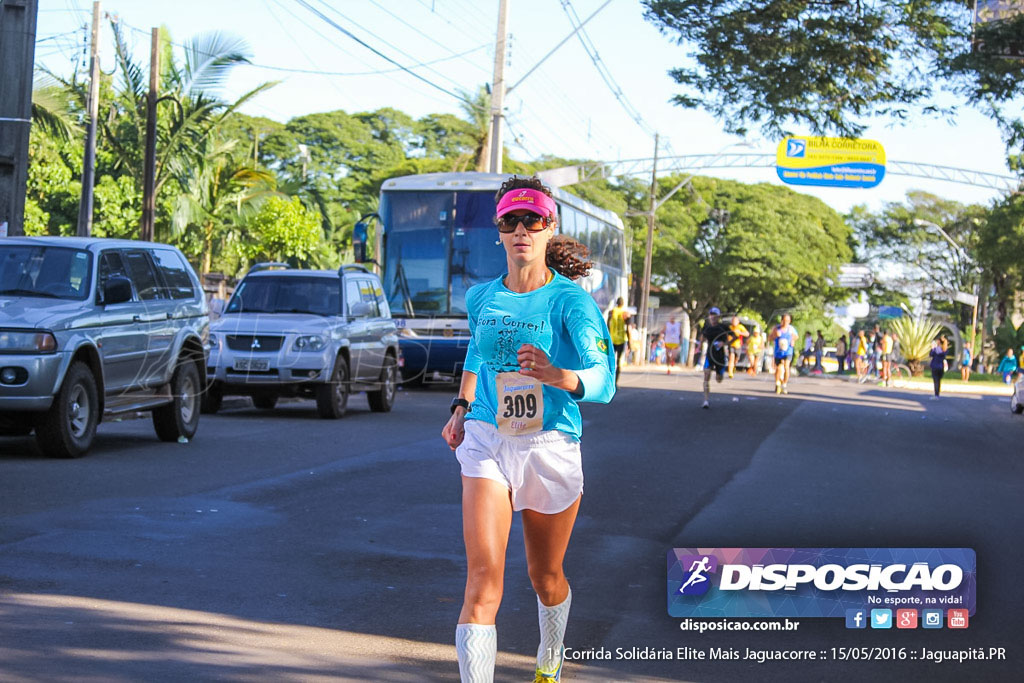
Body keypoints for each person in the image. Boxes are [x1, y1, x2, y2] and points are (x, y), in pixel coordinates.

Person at [440, 176, 616, 683]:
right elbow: (479, 349)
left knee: (545, 577)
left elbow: (604, 381)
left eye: (532, 220)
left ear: (548, 227)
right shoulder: (482, 298)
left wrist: (556, 375)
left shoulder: (571, 303)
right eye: (510, 221)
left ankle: (550, 659)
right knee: (482, 583)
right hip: (487, 440)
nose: (521, 229)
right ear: (498, 231)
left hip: (550, 444)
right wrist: (461, 405)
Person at [698, 307, 732, 408]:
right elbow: (703, 337)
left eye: (715, 315)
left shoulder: (723, 327)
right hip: (710, 354)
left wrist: (724, 343)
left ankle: (719, 374)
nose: (713, 317)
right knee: (706, 375)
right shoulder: (706, 327)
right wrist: (700, 345)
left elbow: (734, 336)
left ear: (718, 316)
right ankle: (705, 400)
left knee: (718, 379)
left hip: (720, 356)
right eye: (711, 315)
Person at [769, 313, 798, 394]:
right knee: (779, 368)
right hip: (778, 352)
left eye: (788, 321)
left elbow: (796, 336)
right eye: (784, 320)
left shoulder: (791, 329)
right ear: (781, 320)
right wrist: (775, 335)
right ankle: (778, 383)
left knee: (786, 367)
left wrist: (793, 340)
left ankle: (784, 384)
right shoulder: (776, 328)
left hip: (788, 351)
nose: (786, 322)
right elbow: (769, 338)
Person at [607, 297, 630, 386]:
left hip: (611, 339)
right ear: (623, 303)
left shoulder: (611, 312)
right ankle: (615, 383)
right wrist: (629, 343)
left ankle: (609, 382)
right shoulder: (625, 314)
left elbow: (607, 326)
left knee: (610, 361)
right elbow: (627, 328)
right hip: (621, 340)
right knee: (619, 362)